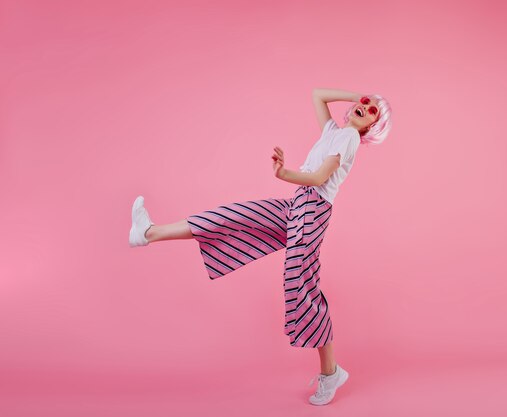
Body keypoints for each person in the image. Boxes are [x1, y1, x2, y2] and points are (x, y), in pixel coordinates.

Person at [128, 88, 392, 405]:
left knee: (303, 288)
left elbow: (320, 176)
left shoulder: (349, 138)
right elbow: (318, 95)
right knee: (234, 217)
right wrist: (360, 93)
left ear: (371, 128)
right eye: (364, 104)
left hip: (312, 212)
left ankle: (330, 372)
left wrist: (284, 173)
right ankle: (149, 232)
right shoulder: (334, 131)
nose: (365, 108)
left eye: (373, 111)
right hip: (297, 205)